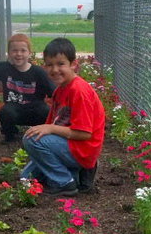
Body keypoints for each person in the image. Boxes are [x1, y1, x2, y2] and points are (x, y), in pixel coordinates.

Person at [21, 37, 105, 196]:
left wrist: (50, 128)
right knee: (26, 179)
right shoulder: (60, 90)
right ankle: (76, 175)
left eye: (61, 64)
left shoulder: (78, 91)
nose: (54, 70)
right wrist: (46, 130)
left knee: (31, 139)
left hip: (82, 148)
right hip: (69, 145)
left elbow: (84, 133)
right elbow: (51, 127)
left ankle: (65, 182)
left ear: (73, 64)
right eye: (49, 64)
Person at [0, 33, 54, 143]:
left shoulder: (39, 73)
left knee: (47, 112)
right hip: (15, 111)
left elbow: (55, 93)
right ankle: (10, 135)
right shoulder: (5, 69)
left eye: (23, 50)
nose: (18, 54)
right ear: (9, 53)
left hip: (36, 112)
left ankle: (44, 134)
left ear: (29, 53)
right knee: (5, 112)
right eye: (14, 50)